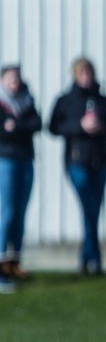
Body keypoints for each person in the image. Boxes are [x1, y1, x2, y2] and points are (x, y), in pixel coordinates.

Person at [48, 57, 106, 276]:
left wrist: (100, 127)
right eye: (82, 74)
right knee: (88, 207)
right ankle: (93, 258)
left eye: (89, 73)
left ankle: (88, 258)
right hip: (76, 160)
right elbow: (53, 127)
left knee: (93, 209)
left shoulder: (101, 100)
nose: (86, 78)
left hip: (99, 161)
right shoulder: (66, 101)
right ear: (75, 75)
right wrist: (79, 126)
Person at [0, 64, 41, 284]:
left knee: (20, 213)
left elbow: (36, 123)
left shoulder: (27, 100)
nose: (14, 81)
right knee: (6, 212)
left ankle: (14, 263)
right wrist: (16, 127)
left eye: (17, 78)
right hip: (5, 160)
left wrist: (15, 125)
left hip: (25, 159)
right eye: (10, 78)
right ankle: (1, 265)